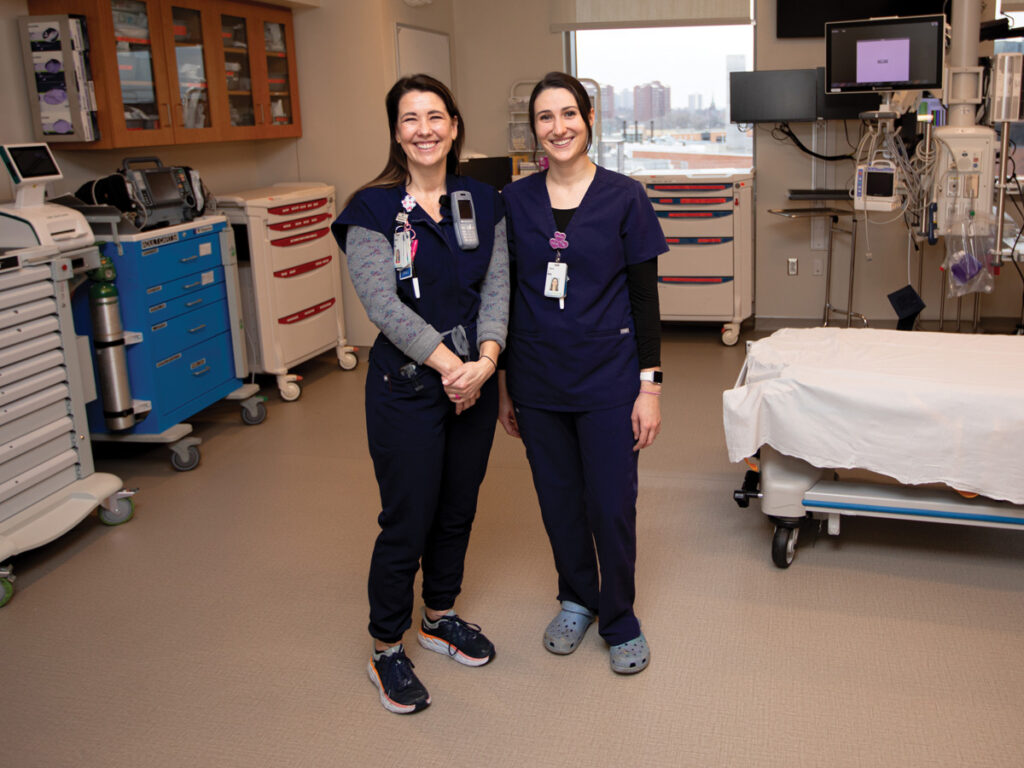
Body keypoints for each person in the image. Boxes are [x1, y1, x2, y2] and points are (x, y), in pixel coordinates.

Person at [331, 74, 509, 714]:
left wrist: (485, 363)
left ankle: (439, 615)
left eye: (436, 116)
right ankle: (385, 646)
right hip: (408, 387)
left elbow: (497, 289)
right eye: (410, 119)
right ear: (396, 131)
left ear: (455, 126)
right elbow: (383, 304)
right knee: (407, 518)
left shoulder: (482, 200)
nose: (425, 129)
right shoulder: (372, 210)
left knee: (458, 508)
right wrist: (450, 367)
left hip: (475, 383)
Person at [498, 72, 667, 675]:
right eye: (545, 117)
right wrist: (503, 385)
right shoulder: (513, 202)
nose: (558, 128)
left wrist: (650, 386)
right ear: (534, 128)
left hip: (609, 379)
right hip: (538, 380)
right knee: (559, 501)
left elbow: (645, 301)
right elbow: (504, 297)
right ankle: (576, 597)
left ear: (588, 118)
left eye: (568, 114)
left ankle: (619, 617)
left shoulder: (625, 197)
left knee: (612, 504)